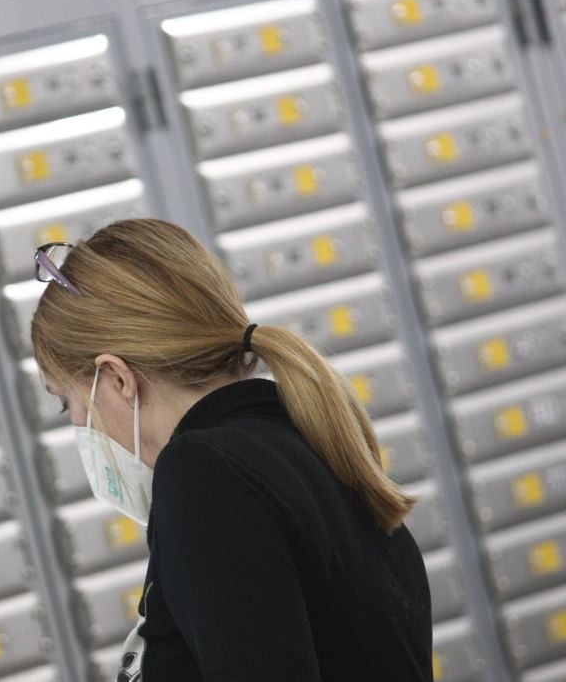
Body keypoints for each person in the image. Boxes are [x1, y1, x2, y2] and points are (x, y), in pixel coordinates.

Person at [30, 218, 432, 681]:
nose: (79, 426)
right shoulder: (300, 444)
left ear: (117, 379)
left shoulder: (206, 475)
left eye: (68, 404)